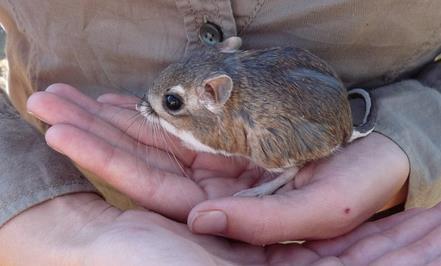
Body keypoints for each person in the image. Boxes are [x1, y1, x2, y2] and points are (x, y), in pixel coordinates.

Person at [0, 1, 440, 264]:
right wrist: (44, 226)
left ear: (215, 93)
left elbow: (213, 141)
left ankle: (285, 173)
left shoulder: (222, 119)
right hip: (88, 177)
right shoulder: (222, 83)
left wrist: (412, 129)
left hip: (384, 195)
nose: (151, 110)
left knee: (267, 148)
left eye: (170, 104)